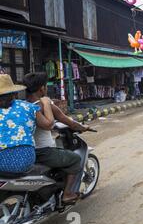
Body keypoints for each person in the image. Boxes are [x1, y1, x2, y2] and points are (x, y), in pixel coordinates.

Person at [23, 72, 89, 204]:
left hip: (26, 150)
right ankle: (68, 194)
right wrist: (82, 127)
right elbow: (67, 121)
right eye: (45, 86)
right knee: (75, 159)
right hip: (43, 151)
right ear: (42, 88)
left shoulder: (21, 105)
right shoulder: (44, 104)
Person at [0, 74, 54, 173]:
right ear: (14, 93)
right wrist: (46, 103)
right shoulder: (27, 106)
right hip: (24, 160)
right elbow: (49, 125)